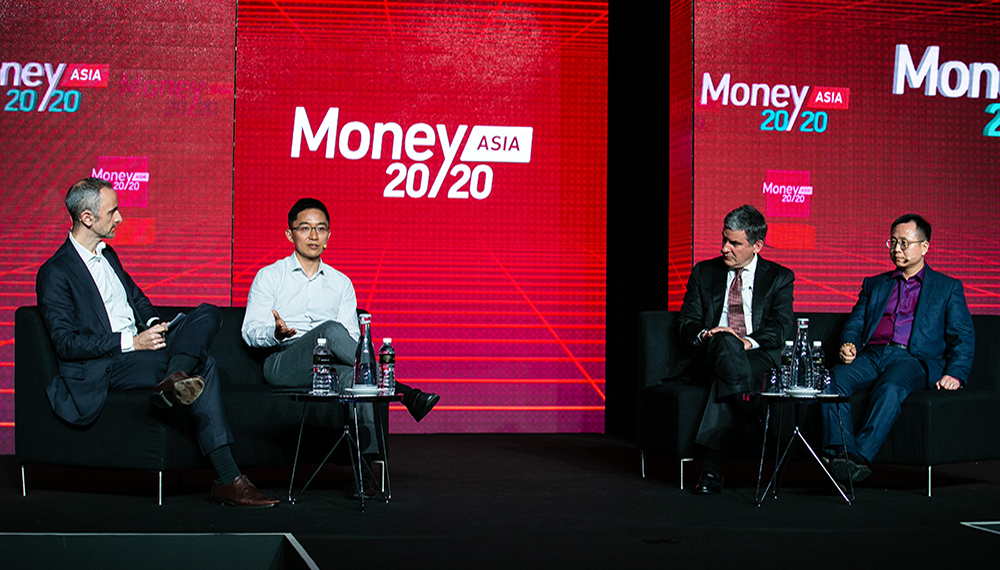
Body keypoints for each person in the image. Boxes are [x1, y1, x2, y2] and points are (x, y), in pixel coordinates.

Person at [36, 178, 278, 508]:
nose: (120, 218)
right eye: (113, 211)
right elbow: (67, 343)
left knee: (208, 313)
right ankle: (227, 477)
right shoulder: (55, 272)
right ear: (87, 218)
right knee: (205, 365)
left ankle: (175, 375)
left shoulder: (108, 255)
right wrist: (132, 342)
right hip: (106, 364)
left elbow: (136, 299)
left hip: (140, 346)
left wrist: (153, 325)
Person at [241, 198, 440, 442]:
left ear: (328, 235)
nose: (314, 235)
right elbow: (249, 330)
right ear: (290, 235)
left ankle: (368, 460)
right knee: (330, 330)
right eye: (305, 228)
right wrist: (275, 333)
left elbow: (352, 338)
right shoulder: (269, 276)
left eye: (320, 228)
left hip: (328, 364)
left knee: (362, 381)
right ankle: (405, 392)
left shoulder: (341, 283)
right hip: (284, 361)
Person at [821, 214, 974, 483]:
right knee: (831, 380)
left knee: (891, 387)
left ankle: (858, 457)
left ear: (924, 247)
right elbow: (856, 322)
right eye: (892, 242)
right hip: (872, 355)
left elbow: (962, 335)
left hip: (913, 358)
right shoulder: (875, 284)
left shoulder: (947, 288)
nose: (896, 249)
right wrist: (848, 344)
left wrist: (956, 374)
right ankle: (841, 453)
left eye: (904, 243)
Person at [671, 205, 795, 494]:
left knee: (726, 369)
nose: (724, 248)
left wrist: (745, 342)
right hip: (711, 350)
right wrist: (706, 333)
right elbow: (686, 320)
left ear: (757, 245)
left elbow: (780, 327)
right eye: (724, 239)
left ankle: (712, 468)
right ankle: (752, 411)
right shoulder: (704, 272)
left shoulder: (779, 277)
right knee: (724, 342)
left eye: (734, 243)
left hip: (756, 355)